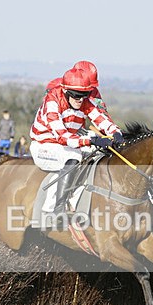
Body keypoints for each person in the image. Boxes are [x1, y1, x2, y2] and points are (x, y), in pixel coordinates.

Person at [30, 65, 123, 216]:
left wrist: (116, 133)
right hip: (44, 146)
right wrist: (92, 140)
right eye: (76, 95)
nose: (81, 100)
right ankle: (56, 209)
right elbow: (63, 137)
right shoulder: (52, 101)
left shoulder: (84, 101)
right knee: (74, 157)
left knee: (98, 154)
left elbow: (101, 119)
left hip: (65, 145)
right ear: (65, 91)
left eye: (85, 95)